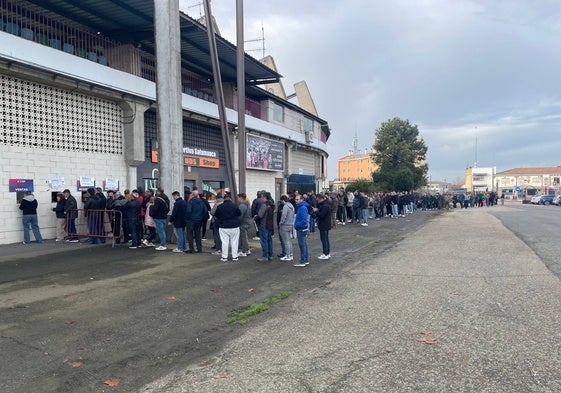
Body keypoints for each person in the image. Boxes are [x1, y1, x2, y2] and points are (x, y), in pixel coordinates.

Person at [214, 194, 241, 262]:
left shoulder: (220, 206)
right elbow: (239, 213)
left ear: (224, 199)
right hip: (234, 226)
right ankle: (235, 257)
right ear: (230, 199)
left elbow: (216, 215)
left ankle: (224, 257)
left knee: (224, 242)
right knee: (234, 242)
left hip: (223, 227)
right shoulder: (235, 206)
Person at [255, 192, 274, 261]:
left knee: (264, 241)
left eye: (262, 197)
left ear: (265, 197)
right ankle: (270, 255)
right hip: (270, 225)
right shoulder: (272, 205)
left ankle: (265, 256)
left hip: (264, 224)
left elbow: (260, 215)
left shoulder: (264, 205)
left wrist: (256, 216)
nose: (261, 198)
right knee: (269, 240)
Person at [293, 194, 309, 267]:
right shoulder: (301, 207)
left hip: (301, 229)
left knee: (302, 245)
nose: (296, 200)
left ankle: (303, 261)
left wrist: (297, 225)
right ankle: (305, 259)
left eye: (297, 199)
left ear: (301, 200)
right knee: (304, 245)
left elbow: (304, 220)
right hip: (302, 228)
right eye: (295, 199)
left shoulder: (302, 208)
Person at [314, 193, 332, 259]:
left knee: (324, 239)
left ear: (320, 199)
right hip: (325, 224)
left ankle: (325, 253)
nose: (317, 201)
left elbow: (321, 215)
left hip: (324, 225)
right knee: (326, 239)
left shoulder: (324, 206)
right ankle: (327, 253)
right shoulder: (325, 205)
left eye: (318, 200)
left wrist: (316, 211)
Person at [278, 195, 295, 262]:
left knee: (286, 241)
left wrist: (280, 223)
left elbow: (283, 216)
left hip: (284, 226)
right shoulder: (292, 206)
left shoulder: (285, 207)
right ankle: (290, 255)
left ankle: (287, 255)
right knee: (289, 241)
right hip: (290, 224)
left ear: (283, 200)